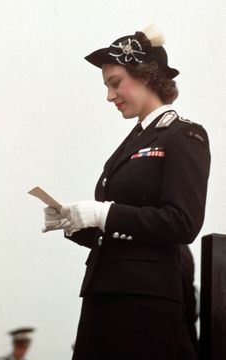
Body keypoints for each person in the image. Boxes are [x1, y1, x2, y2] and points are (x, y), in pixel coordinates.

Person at [43, 25, 210, 359]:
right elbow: (122, 231)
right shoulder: (131, 143)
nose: (109, 96)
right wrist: (77, 224)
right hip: (103, 296)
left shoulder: (183, 136)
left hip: (144, 304)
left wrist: (104, 213)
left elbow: (182, 223)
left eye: (115, 83)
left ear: (146, 76)